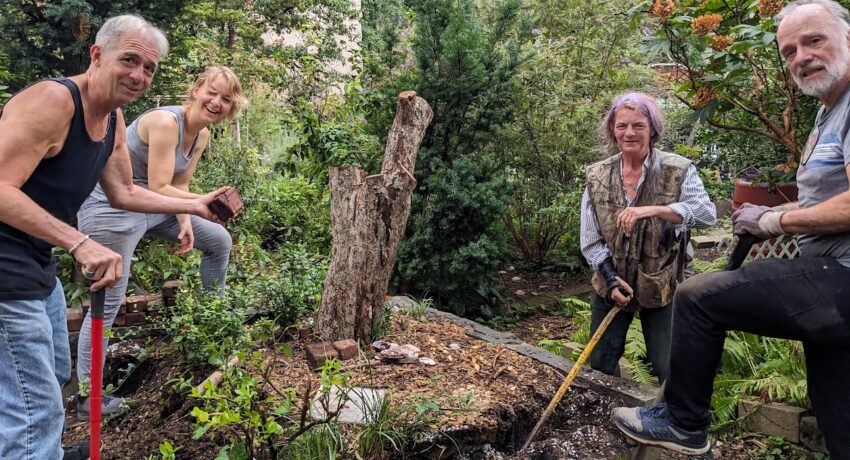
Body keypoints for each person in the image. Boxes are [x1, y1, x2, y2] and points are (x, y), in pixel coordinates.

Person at [611, 1, 850, 457]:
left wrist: (775, 219)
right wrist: (774, 221)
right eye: (788, 51)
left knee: (699, 297)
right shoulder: (828, 111)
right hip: (830, 277)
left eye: (814, 40)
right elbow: (828, 200)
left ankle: (684, 424)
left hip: (843, 273)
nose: (801, 56)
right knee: (839, 412)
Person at [0, 15, 229, 460]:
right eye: (129, 60)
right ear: (97, 54)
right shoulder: (53, 101)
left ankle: (35, 449)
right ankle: (32, 448)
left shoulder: (112, 120)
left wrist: (193, 205)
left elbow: (123, 192)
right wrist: (79, 241)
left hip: (34, 259)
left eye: (149, 69)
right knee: (34, 405)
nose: (139, 76)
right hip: (5, 270)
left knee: (50, 368)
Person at [74, 66, 246, 419]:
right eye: (211, 92)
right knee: (109, 298)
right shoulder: (167, 122)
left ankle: (215, 328)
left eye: (226, 99)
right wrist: (201, 202)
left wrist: (185, 221)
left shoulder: (201, 136)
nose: (216, 103)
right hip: (111, 205)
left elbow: (176, 186)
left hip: (153, 205)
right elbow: (157, 186)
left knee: (218, 240)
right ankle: (87, 399)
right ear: (196, 89)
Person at [580, 92, 716, 383]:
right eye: (622, 126)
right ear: (612, 130)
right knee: (602, 361)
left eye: (638, 125)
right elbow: (590, 238)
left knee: (667, 363)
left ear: (652, 129)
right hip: (613, 280)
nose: (629, 133)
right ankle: (609, 414)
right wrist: (610, 279)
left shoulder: (677, 170)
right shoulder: (597, 175)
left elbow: (706, 214)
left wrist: (655, 210)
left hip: (662, 282)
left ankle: (672, 420)